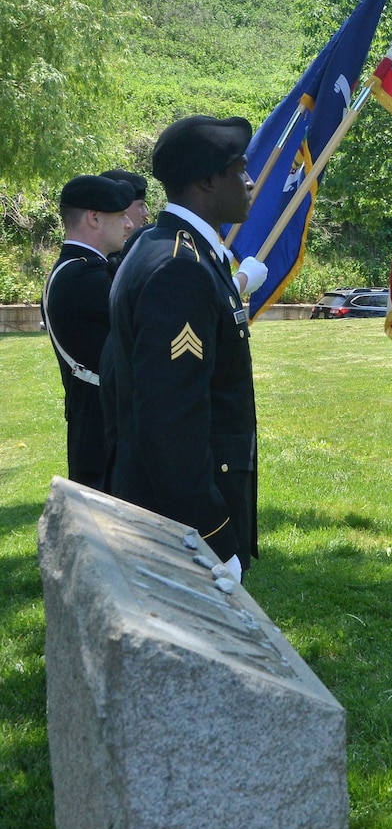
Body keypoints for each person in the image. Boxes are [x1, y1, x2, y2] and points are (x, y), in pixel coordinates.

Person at [101, 115, 259, 581]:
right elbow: (171, 421)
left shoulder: (161, 246)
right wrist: (216, 538)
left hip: (163, 506)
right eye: (239, 170)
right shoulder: (180, 268)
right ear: (207, 182)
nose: (249, 182)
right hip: (181, 525)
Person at [41, 174, 136, 486]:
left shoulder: (77, 270)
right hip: (104, 439)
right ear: (94, 218)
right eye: (120, 215)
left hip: (96, 431)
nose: (129, 224)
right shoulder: (82, 276)